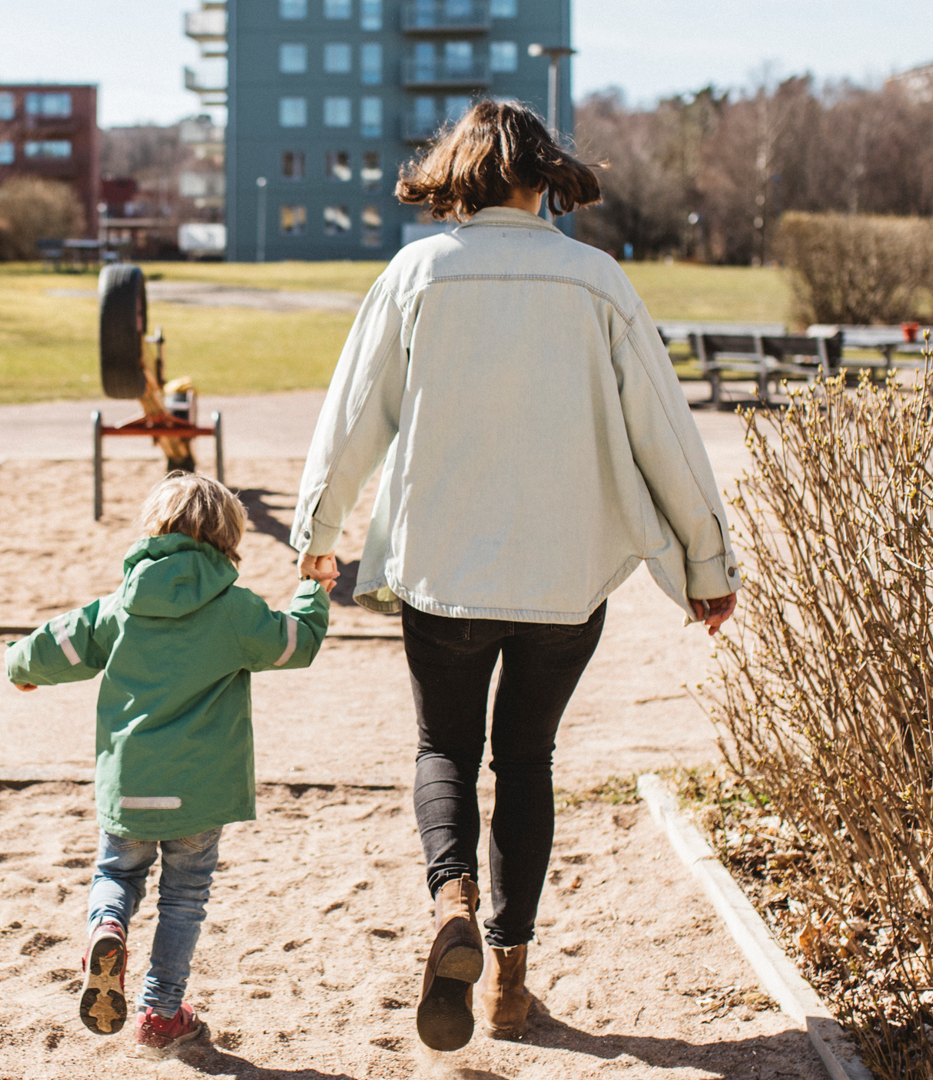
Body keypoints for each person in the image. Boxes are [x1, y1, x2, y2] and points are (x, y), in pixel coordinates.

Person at [289, 100, 741, 1051]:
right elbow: (664, 428)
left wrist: (318, 531)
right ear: (544, 179)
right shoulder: (597, 280)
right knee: (524, 760)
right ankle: (508, 981)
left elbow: (354, 413)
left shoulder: (416, 274)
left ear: (457, 176)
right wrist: (706, 559)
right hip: (564, 579)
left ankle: (449, 902)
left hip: (443, 576)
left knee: (443, 750)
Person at [4, 472, 329, 1055]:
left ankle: (107, 928)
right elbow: (296, 643)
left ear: (153, 530)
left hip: (130, 786)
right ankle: (159, 1012)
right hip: (200, 794)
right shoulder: (235, 611)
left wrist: (21, 667)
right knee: (184, 897)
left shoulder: (119, 608)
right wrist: (313, 587)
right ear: (228, 538)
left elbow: (52, 646)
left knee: (117, 876)